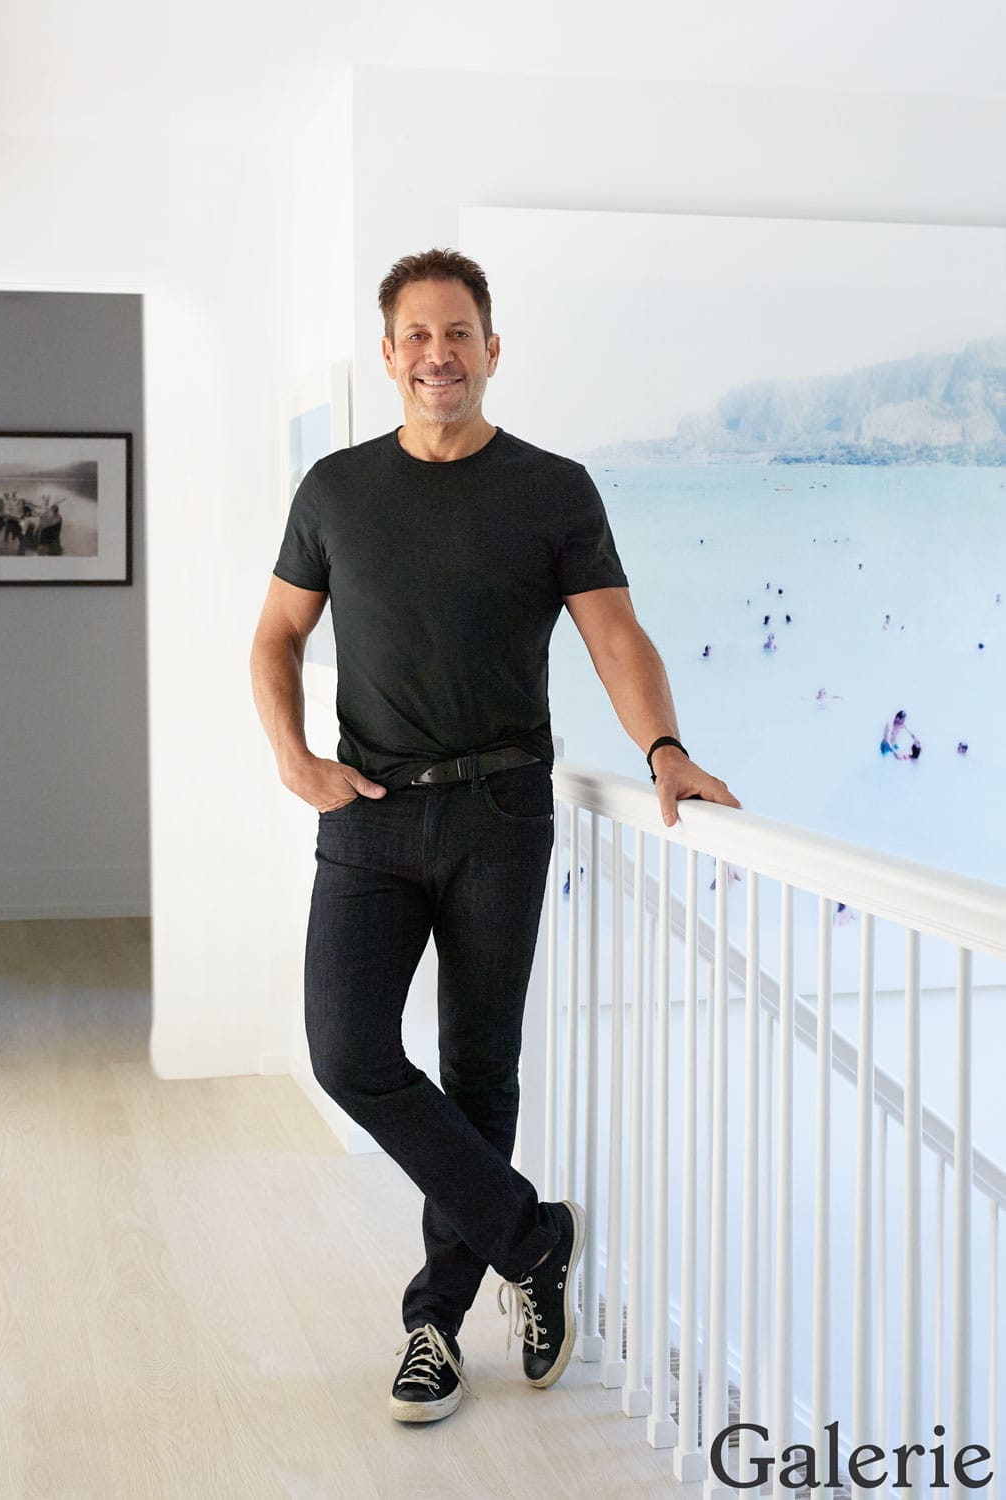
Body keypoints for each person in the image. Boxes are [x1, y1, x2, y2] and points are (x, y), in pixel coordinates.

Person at [249, 248, 739, 1427]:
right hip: (367, 813)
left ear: (491, 347)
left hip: (503, 811)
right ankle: (535, 1239)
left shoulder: (554, 489)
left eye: (457, 332)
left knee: (477, 1073)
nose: (437, 354)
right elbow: (274, 639)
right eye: (416, 336)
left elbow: (616, 638)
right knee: (348, 1054)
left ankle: (433, 1326)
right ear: (388, 355)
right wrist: (292, 759)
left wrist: (666, 752)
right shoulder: (334, 489)